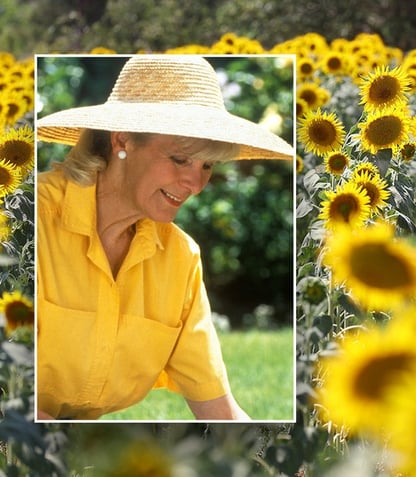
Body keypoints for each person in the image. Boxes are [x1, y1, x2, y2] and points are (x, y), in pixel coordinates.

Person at [35, 55, 294, 420]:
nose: (195, 184)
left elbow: (219, 412)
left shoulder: (179, 257)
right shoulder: (25, 221)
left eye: (207, 165)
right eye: (179, 159)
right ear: (122, 140)